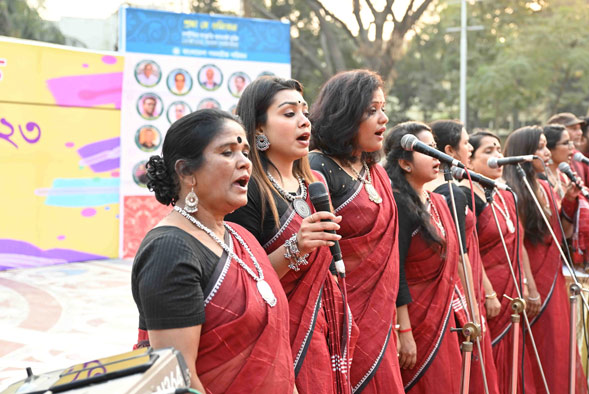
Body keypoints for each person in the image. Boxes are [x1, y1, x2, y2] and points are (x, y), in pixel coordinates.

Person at [130, 109, 294, 393]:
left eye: (245, 151)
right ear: (186, 172)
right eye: (228, 152)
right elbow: (178, 379)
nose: (245, 162)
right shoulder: (170, 249)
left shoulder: (241, 237)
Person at [225, 76, 357, 393]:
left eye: (304, 112)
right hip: (279, 335)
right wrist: (296, 246)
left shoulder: (314, 186)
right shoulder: (248, 191)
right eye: (288, 114)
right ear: (258, 130)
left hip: (326, 328)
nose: (303, 122)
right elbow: (243, 281)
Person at [308, 70, 404, 393]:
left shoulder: (375, 171)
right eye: (371, 111)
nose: (384, 118)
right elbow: (313, 256)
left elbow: (392, 254)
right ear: (345, 114)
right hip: (341, 322)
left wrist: (401, 324)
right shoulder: (318, 166)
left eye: (383, 108)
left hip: (381, 321)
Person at [381, 122, 467, 392]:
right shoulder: (398, 204)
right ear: (405, 164)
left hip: (442, 315)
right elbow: (396, 271)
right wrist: (404, 332)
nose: (437, 155)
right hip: (417, 321)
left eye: (436, 147)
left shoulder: (437, 201)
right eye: (428, 149)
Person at [502, 126, 587, 394]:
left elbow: (561, 233)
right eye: (539, 147)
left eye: (545, 146)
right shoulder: (513, 191)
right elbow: (519, 245)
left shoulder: (545, 186)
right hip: (534, 280)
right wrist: (530, 288)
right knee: (540, 346)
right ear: (523, 153)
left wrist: (571, 202)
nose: (546, 153)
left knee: (558, 344)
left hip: (554, 274)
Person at [459, 130, 537, 393]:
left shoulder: (505, 193)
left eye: (498, 150)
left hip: (512, 289)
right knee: (490, 360)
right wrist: (490, 293)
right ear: (469, 160)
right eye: (488, 151)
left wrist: (525, 283)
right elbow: (469, 252)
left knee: (513, 356)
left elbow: (519, 244)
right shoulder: (465, 194)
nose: (497, 157)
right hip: (490, 294)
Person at [430, 120, 500, 394]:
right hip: (461, 290)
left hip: (470, 286)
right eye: (466, 143)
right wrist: (478, 298)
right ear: (449, 150)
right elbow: (459, 253)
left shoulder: (457, 188)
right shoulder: (448, 193)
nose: (470, 148)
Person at [542, 124, 589, 266]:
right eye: (566, 143)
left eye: (571, 143)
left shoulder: (564, 176)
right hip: (552, 252)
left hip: (568, 250)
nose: (571, 148)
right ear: (550, 148)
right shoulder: (541, 181)